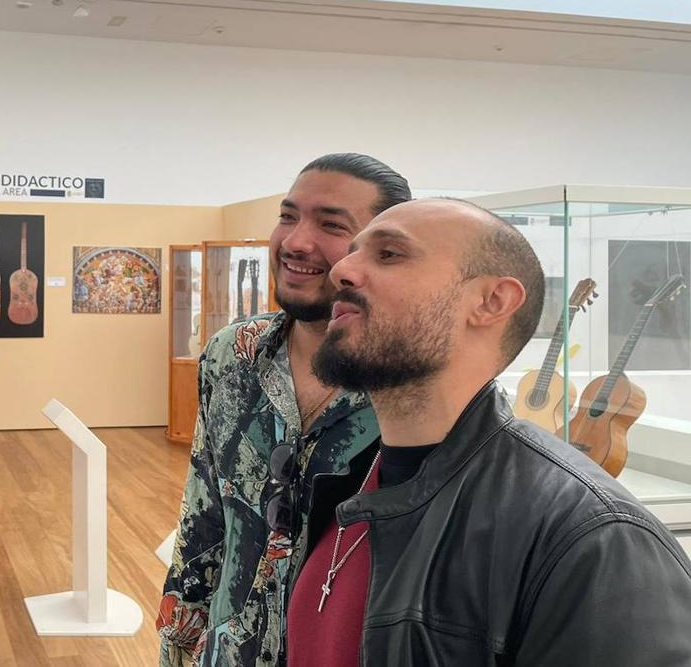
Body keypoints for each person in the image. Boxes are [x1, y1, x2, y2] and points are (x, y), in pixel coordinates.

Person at [276, 198, 691, 666]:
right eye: (352, 251)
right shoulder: (346, 484)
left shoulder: (597, 541)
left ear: (492, 302)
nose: (341, 271)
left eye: (389, 254)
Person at [157, 154, 411, 667]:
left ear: (384, 252)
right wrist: (180, 641)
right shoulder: (233, 354)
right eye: (288, 216)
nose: (295, 241)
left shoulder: (414, 382)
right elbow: (204, 514)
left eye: (331, 224)